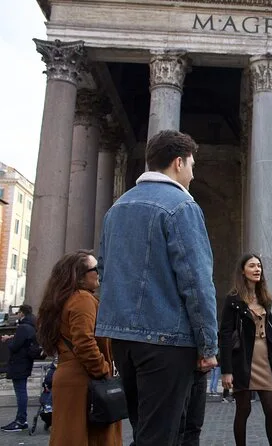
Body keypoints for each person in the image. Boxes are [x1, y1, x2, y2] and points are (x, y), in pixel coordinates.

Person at [96, 130, 219, 445]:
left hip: (123, 341)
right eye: (191, 165)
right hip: (167, 340)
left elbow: (105, 273)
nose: (193, 174)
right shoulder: (182, 206)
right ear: (178, 162)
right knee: (162, 436)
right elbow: (197, 282)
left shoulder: (117, 208)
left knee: (144, 431)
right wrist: (208, 346)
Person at [35, 250, 122, 445]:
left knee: (70, 436)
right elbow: (84, 342)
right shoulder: (82, 299)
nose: (99, 272)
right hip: (85, 380)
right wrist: (104, 370)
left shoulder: (63, 300)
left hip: (70, 377)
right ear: (79, 275)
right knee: (91, 437)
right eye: (95, 269)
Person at [220, 254, 272, 446]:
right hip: (243, 359)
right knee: (243, 410)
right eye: (252, 266)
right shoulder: (233, 299)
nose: (257, 269)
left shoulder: (265, 298)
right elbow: (225, 335)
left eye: (259, 266)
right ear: (243, 271)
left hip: (264, 358)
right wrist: (226, 370)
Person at [0, 304, 38, 432]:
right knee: (22, 391)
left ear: (22, 313)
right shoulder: (32, 326)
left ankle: (21, 420)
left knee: (20, 392)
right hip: (26, 363)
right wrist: (13, 337)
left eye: (18, 313)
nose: (17, 315)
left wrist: (8, 340)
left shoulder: (23, 327)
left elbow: (15, 346)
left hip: (19, 363)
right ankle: (22, 419)